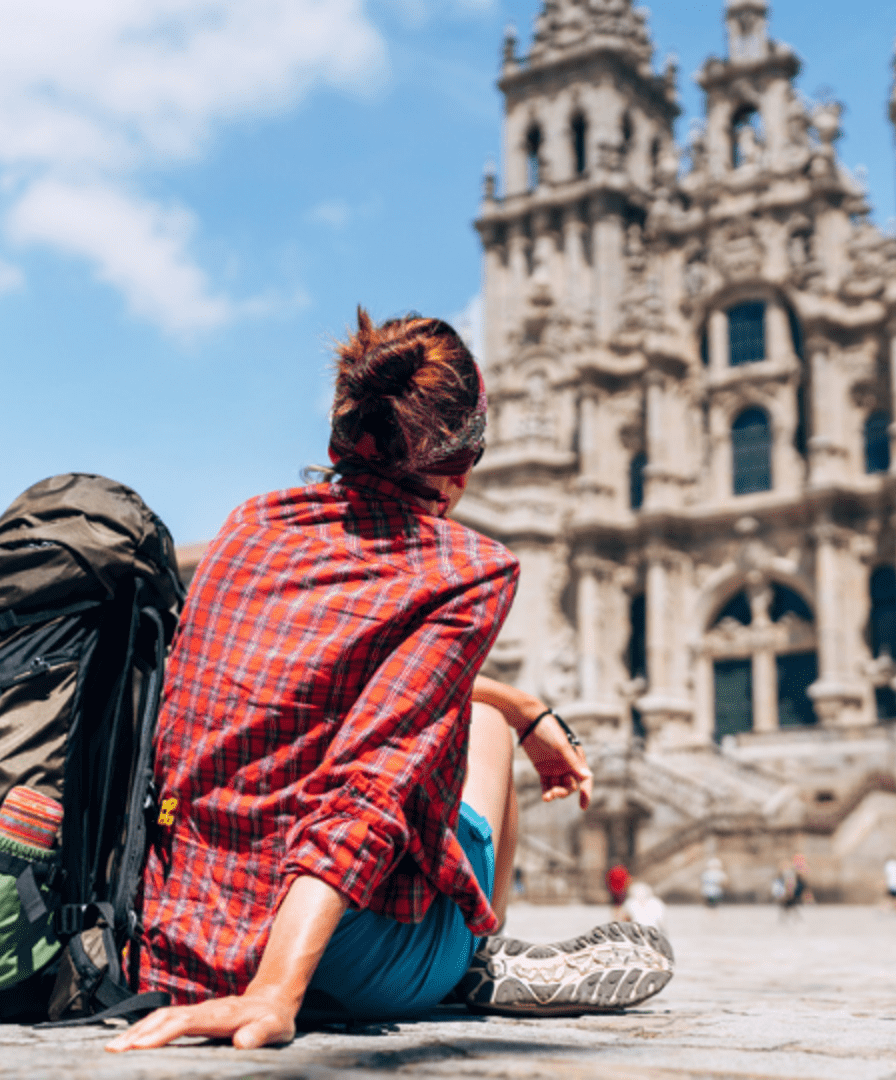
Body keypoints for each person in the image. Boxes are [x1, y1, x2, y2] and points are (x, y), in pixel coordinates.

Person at [110, 311, 671, 1053]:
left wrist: (520, 698)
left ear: (340, 438)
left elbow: (307, 695)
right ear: (462, 466)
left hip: (180, 931)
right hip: (332, 960)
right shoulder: (467, 569)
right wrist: (275, 992)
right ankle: (472, 953)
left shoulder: (250, 524)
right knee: (485, 729)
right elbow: (366, 786)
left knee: (490, 712)